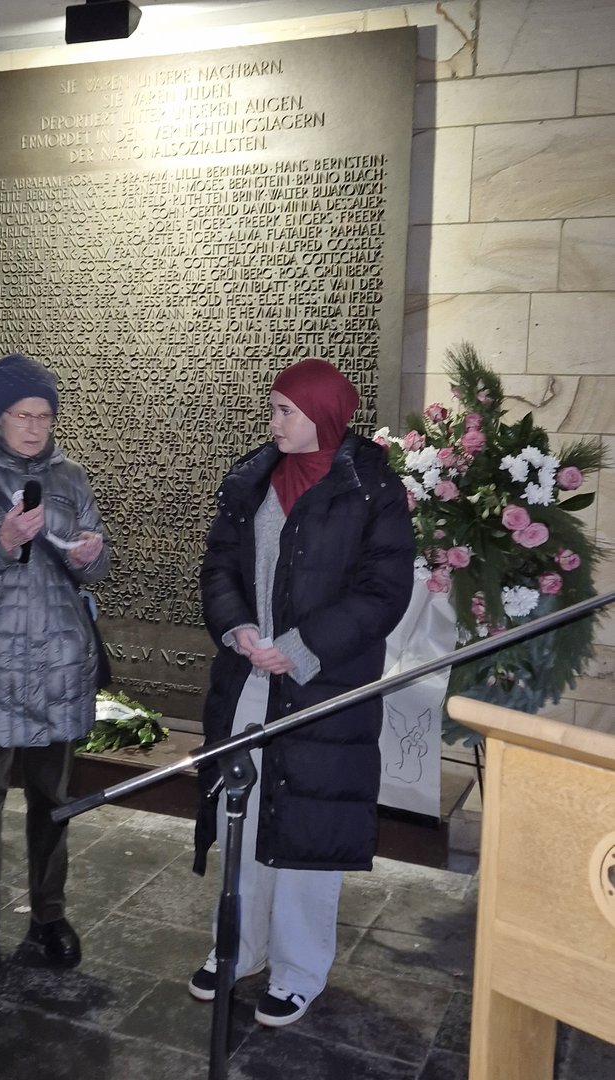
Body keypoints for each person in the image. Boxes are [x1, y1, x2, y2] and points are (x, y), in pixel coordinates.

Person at [190, 357, 415, 1027]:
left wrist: (297, 647)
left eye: (284, 410)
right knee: (243, 815)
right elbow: (219, 564)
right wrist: (236, 627)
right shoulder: (251, 478)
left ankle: (297, 970)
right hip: (247, 678)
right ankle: (238, 948)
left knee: (308, 826)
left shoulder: (371, 488)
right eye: (273, 408)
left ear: (321, 414)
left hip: (323, 684)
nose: (273, 421)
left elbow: (382, 591)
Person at [0, 352, 109, 974]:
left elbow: (96, 567)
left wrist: (90, 555)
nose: (34, 427)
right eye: (21, 415)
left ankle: (48, 915)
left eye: (43, 415)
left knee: (54, 801)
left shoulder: (73, 479)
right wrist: (0, 543)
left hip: (57, 669)